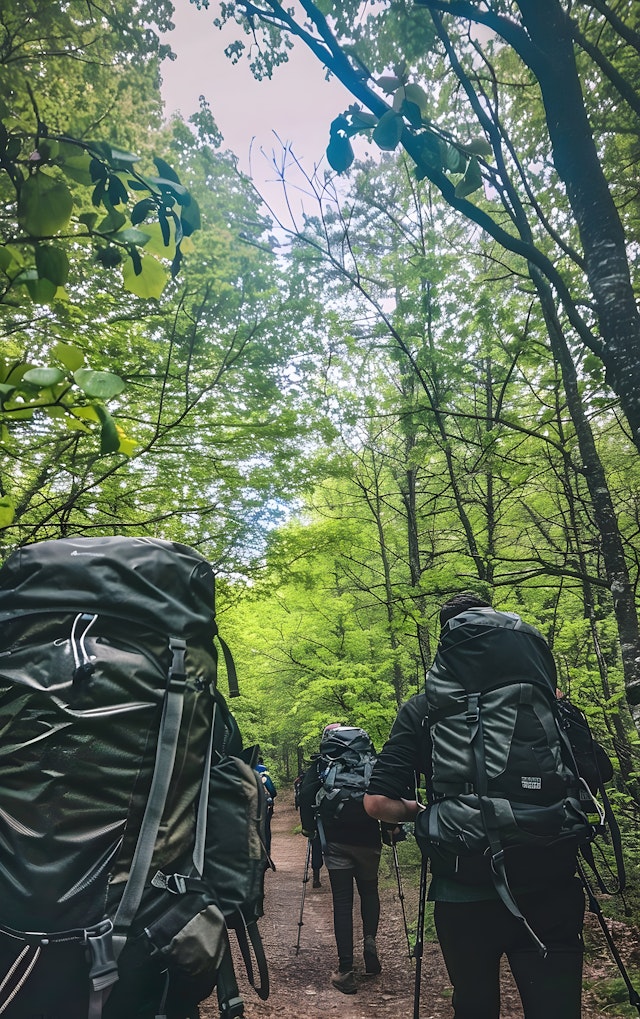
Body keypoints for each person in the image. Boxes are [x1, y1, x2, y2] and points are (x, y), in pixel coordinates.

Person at [364, 592, 586, 1019]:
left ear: (446, 642)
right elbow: (597, 773)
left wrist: (422, 812)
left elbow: (376, 804)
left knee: (474, 1005)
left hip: (465, 887)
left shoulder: (426, 708)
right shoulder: (548, 699)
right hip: (552, 880)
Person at [298, 723, 383, 995]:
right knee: (370, 892)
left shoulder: (324, 762)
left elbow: (307, 794)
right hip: (370, 840)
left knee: (343, 902)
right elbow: (389, 791)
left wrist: (309, 828)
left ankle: (346, 970)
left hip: (336, 842)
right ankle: (370, 944)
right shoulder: (371, 760)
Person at [255, 756, 277, 860]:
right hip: (263, 804)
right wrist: (272, 795)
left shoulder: (243, 768)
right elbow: (270, 788)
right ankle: (267, 852)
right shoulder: (263, 769)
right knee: (266, 827)